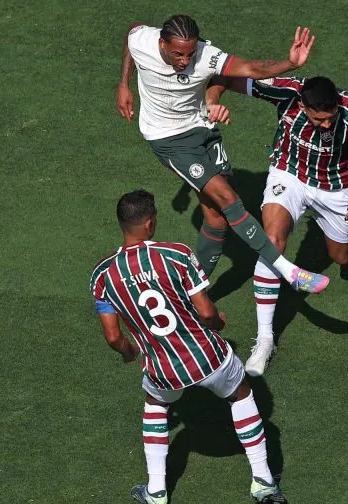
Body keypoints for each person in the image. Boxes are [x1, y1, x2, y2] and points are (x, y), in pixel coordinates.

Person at [90, 189, 287, 504]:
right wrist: (219, 322)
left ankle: (156, 492)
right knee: (241, 394)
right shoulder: (176, 255)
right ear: (150, 222)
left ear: (122, 224)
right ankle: (263, 480)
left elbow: (113, 337)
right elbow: (207, 313)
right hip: (208, 357)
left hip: (161, 368)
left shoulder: (103, 276)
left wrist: (128, 352)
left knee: (155, 404)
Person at [116, 14, 328, 294]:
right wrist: (124, 83)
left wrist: (289, 63)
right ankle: (289, 271)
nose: (185, 61)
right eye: (178, 54)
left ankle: (189, 294)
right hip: (168, 138)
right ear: (161, 43)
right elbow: (131, 33)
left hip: (203, 128)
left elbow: (249, 68)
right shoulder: (142, 40)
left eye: (190, 53)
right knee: (229, 199)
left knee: (216, 219)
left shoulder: (205, 56)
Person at [206, 75, 348, 376]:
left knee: (342, 258)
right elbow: (226, 77)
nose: (325, 125)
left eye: (330, 118)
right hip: (289, 176)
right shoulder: (286, 92)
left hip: (335, 189)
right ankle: (265, 339)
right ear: (303, 105)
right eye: (318, 119)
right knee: (271, 241)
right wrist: (212, 101)